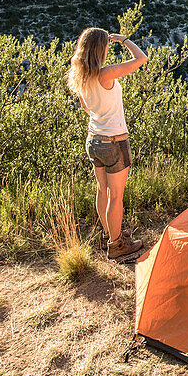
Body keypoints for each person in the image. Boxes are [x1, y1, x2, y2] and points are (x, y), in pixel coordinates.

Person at [67, 27, 148, 261]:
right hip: (115, 141)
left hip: (94, 140)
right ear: (100, 49)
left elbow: (87, 108)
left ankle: (108, 235)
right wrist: (123, 40)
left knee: (102, 190)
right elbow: (141, 58)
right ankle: (117, 245)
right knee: (116, 196)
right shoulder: (106, 74)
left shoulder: (80, 77)